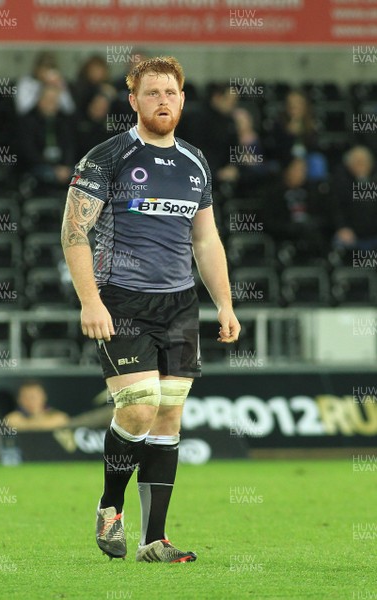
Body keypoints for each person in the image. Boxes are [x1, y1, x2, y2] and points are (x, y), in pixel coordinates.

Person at [61, 56, 241, 563]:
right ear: (133, 101)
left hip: (180, 305)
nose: (163, 100)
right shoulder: (108, 156)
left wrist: (224, 304)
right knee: (137, 408)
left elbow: (206, 241)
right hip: (121, 297)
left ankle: (153, 540)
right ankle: (109, 507)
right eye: (152, 92)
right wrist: (90, 299)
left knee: (167, 419)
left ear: (183, 99)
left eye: (171, 92)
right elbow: (74, 231)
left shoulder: (196, 161)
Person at [17, 85, 76, 189]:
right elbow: (28, 151)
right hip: (37, 165)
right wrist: (54, 168)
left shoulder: (64, 120)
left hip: (62, 165)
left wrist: (66, 165)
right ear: (39, 100)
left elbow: (69, 145)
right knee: (49, 175)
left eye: (55, 101)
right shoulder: (27, 120)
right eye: (49, 100)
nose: (52, 104)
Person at [332, 145, 377, 250]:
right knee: (340, 242)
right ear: (349, 165)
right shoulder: (341, 184)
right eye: (357, 162)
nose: (361, 165)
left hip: (374, 233)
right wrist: (342, 227)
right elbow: (337, 209)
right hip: (351, 233)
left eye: (364, 162)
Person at [15, 51, 75, 116]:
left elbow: (69, 109)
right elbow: (22, 108)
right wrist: (41, 89)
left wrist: (60, 86)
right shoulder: (26, 82)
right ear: (37, 68)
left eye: (49, 68)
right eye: (44, 67)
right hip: (31, 118)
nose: (46, 73)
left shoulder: (58, 82)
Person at [5, 381, 70, 431]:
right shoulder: (12, 418)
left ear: (44, 397)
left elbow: (61, 421)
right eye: (25, 397)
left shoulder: (58, 416)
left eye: (33, 397)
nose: (30, 401)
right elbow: (13, 423)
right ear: (19, 400)